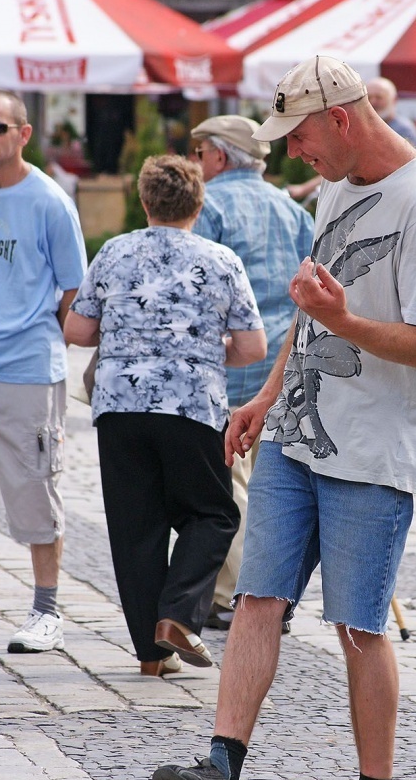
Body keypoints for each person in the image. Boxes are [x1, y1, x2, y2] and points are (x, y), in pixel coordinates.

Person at [151, 55, 416, 780]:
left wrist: (341, 318)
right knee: (258, 599)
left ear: (341, 117)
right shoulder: (334, 187)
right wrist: (267, 396)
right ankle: (220, 769)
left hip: (372, 451)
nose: (294, 154)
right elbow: (313, 311)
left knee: (358, 626)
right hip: (299, 432)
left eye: (298, 137)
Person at [64, 155, 266, 676]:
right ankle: (178, 614)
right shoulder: (220, 260)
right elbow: (253, 346)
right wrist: (205, 349)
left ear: (146, 201)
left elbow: (77, 332)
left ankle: (152, 657)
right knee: (215, 513)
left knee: (137, 528)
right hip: (192, 404)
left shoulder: (113, 252)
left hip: (120, 406)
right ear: (198, 204)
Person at [0, 89, 86, 653]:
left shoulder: (49, 201)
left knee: (34, 486)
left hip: (26, 364)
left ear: (23, 133)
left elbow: (74, 290)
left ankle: (47, 611)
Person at [188, 115, 314, 631]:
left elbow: (198, 291)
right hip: (284, 367)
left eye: (199, 154)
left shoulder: (209, 205)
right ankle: (269, 592)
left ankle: (237, 594)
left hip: (233, 365)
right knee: (270, 487)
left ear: (219, 157)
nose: (196, 165)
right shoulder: (291, 209)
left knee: (229, 484)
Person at [288, 74, 416, 202]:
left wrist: (304, 189)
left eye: (379, 97)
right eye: (370, 97)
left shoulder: (403, 129)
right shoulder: (358, 127)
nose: (374, 101)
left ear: (394, 100)